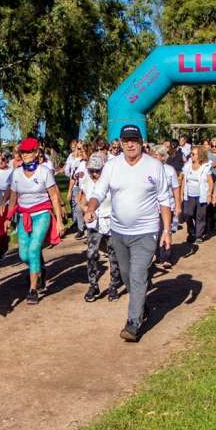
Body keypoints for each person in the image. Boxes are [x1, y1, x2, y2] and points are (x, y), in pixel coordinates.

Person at [84, 124, 171, 342]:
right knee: (126, 275)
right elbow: (98, 191)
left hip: (146, 231)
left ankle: (132, 324)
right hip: (119, 232)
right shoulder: (112, 166)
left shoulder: (154, 166)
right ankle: (141, 307)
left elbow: (164, 199)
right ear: (120, 143)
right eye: (126, 140)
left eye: (134, 140)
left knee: (138, 272)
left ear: (141, 142)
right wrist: (92, 207)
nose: (130, 144)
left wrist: (167, 230)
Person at [5, 137, 64, 304]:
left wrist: (59, 221)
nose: (25, 154)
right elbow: (14, 197)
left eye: (29, 151)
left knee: (33, 249)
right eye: (22, 151)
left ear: (37, 152)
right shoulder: (16, 173)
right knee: (24, 255)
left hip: (42, 214)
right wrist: (9, 217)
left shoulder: (44, 172)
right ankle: (40, 267)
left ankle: (33, 289)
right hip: (23, 216)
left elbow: (53, 196)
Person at [77, 152, 122, 302]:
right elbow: (82, 202)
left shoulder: (111, 182)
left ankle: (114, 285)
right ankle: (93, 286)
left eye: (98, 170)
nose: (95, 173)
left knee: (113, 255)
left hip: (111, 222)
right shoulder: (86, 182)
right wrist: (87, 212)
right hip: (94, 224)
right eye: (91, 170)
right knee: (91, 255)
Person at [151, 145, 182, 268]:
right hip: (152, 207)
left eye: (156, 155)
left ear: (163, 157)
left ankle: (166, 256)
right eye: (152, 155)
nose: (153, 157)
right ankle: (158, 255)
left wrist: (178, 205)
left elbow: (176, 188)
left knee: (166, 229)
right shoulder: (149, 170)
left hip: (167, 206)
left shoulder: (170, 170)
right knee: (155, 232)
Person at [179, 146, 214, 244]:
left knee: (200, 216)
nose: (191, 156)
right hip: (189, 195)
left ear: (200, 155)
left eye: (194, 154)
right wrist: (181, 194)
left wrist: (209, 194)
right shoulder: (187, 166)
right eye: (191, 154)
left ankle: (199, 235)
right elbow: (184, 181)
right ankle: (191, 232)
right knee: (187, 214)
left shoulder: (206, 167)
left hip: (201, 195)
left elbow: (210, 182)